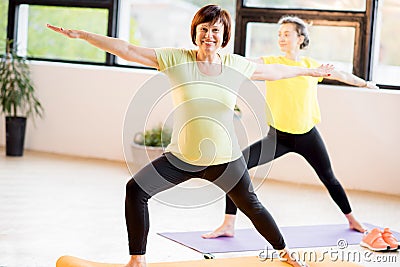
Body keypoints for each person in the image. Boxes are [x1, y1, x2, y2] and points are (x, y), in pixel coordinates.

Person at [47, 6, 334, 267]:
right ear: (195, 32)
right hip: (181, 158)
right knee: (136, 190)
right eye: (204, 29)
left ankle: (285, 252)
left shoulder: (235, 64)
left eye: (215, 30)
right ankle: (137, 259)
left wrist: (310, 70)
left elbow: (276, 71)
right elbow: (128, 49)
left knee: (254, 207)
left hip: (226, 159)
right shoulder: (176, 59)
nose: (209, 35)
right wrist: (82, 35)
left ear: (224, 36)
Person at [202, 15, 378, 240]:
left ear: (300, 38)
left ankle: (352, 219)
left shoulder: (312, 66)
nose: (282, 38)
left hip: (307, 136)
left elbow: (342, 74)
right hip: (278, 137)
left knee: (329, 177)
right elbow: (243, 62)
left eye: (287, 34)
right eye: (279, 35)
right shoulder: (272, 62)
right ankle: (228, 223)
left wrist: (365, 83)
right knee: (237, 167)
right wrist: (214, 56)